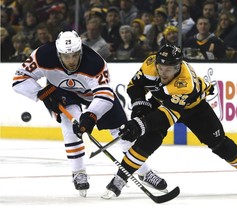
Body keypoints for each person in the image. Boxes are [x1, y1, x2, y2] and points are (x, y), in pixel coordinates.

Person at [103, 44, 237, 198]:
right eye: (161, 67)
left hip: (194, 108)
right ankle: (119, 179)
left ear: (178, 67)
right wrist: (140, 107)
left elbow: (168, 115)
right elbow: (135, 86)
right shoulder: (150, 64)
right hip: (164, 101)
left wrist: (141, 124)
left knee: (220, 144)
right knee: (147, 141)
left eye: (168, 69)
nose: (163, 72)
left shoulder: (184, 83)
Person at [12, 30, 167, 197]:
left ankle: (144, 172)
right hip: (61, 93)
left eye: (75, 55)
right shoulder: (43, 55)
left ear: (81, 50)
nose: (71, 61)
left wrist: (91, 116)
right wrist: (42, 93)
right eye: (66, 56)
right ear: (58, 53)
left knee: (123, 133)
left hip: (93, 95)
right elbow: (19, 80)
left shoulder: (95, 63)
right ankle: (78, 172)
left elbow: (104, 95)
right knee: (71, 128)